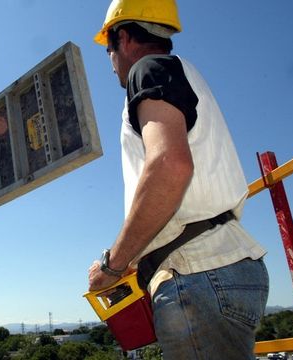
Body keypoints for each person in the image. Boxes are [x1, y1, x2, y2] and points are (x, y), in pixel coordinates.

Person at [87, 0, 269, 358]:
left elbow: (170, 166)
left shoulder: (149, 69)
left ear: (123, 38)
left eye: (107, 49)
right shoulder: (177, 72)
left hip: (197, 273)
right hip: (215, 269)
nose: (109, 64)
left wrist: (114, 265)